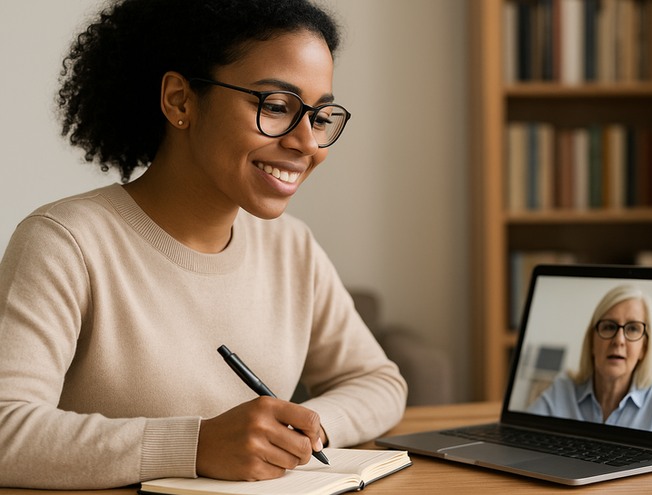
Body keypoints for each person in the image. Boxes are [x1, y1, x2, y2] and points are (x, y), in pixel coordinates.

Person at [0, 0, 407, 489]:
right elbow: (6, 428)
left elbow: (379, 382)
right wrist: (196, 446)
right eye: (276, 107)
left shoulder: (291, 247)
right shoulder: (66, 242)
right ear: (180, 100)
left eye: (320, 116)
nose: (308, 143)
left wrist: (294, 434)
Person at [526, 284, 652, 438]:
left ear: (644, 348)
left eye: (633, 328)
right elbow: (521, 438)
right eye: (609, 327)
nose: (619, 340)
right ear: (592, 341)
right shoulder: (562, 390)